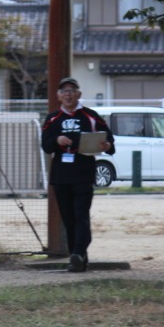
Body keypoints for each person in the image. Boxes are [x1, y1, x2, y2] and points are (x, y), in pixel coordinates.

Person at [41, 77, 115, 272]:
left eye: (72, 90)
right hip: (61, 175)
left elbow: (109, 140)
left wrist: (106, 145)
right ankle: (79, 258)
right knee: (68, 218)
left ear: (79, 94)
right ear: (58, 96)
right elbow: (45, 145)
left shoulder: (91, 116)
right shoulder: (52, 119)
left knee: (81, 214)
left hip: (83, 173)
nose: (68, 94)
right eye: (64, 91)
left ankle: (78, 252)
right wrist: (57, 140)